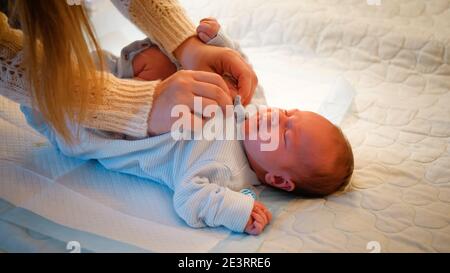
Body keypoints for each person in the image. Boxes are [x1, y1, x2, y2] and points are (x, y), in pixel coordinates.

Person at [0, 0, 258, 143]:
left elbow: (192, 195)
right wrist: (138, 104)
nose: (279, 118)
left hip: (71, 105)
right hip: (64, 93)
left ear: (280, 181)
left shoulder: (233, 170)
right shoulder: (254, 115)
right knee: (157, 62)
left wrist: (188, 45)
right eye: (290, 115)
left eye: (288, 132)